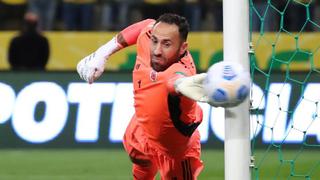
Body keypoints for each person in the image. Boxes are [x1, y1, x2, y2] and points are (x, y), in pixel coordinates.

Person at [77, 13, 211, 179]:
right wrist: (103, 53)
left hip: (174, 149)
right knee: (138, 157)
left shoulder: (181, 71)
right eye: (155, 41)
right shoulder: (150, 36)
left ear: (183, 48)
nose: (157, 50)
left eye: (167, 44)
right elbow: (145, 25)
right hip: (143, 127)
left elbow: (177, 82)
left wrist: (191, 85)